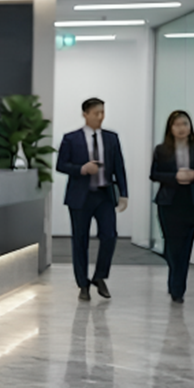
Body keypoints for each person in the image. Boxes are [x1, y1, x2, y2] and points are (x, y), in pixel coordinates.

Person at [56, 97, 129, 301]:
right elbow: (61, 165)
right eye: (96, 113)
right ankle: (83, 284)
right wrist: (82, 169)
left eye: (102, 112)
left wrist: (124, 193)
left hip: (104, 195)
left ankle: (99, 276)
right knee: (80, 240)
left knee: (109, 236)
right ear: (85, 114)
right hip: (80, 196)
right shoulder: (71, 138)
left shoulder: (111, 138)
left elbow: (119, 167)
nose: (100, 117)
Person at [149, 110, 194, 303]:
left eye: (185, 124)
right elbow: (154, 174)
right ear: (170, 128)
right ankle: (175, 279)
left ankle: (178, 288)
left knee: (186, 244)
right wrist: (174, 177)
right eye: (177, 125)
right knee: (171, 245)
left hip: (191, 200)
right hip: (169, 201)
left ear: (190, 126)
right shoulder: (161, 149)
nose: (181, 128)